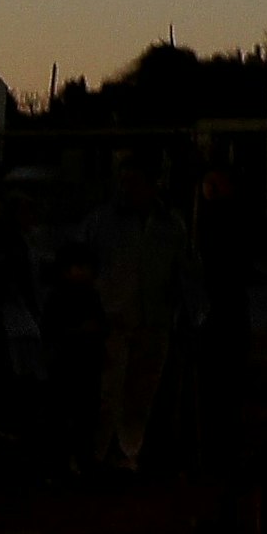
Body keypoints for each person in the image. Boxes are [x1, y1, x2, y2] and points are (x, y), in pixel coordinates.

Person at [76, 160, 193, 473]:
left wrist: (186, 311)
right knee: (108, 392)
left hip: (154, 319)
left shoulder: (171, 225)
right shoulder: (101, 222)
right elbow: (83, 266)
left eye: (136, 182)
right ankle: (100, 453)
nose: (129, 189)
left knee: (141, 393)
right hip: (115, 318)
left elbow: (183, 271)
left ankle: (128, 452)